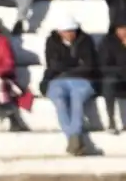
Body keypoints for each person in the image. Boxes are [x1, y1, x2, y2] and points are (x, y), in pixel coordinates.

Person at [42, 17, 98, 156]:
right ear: (59, 32)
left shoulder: (85, 40)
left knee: (77, 97)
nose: (69, 34)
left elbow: (88, 66)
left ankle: (74, 140)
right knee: (59, 100)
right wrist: (75, 64)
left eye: (72, 30)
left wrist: (65, 68)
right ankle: (74, 139)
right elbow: (53, 65)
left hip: (82, 79)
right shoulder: (51, 42)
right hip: (57, 80)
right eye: (66, 31)